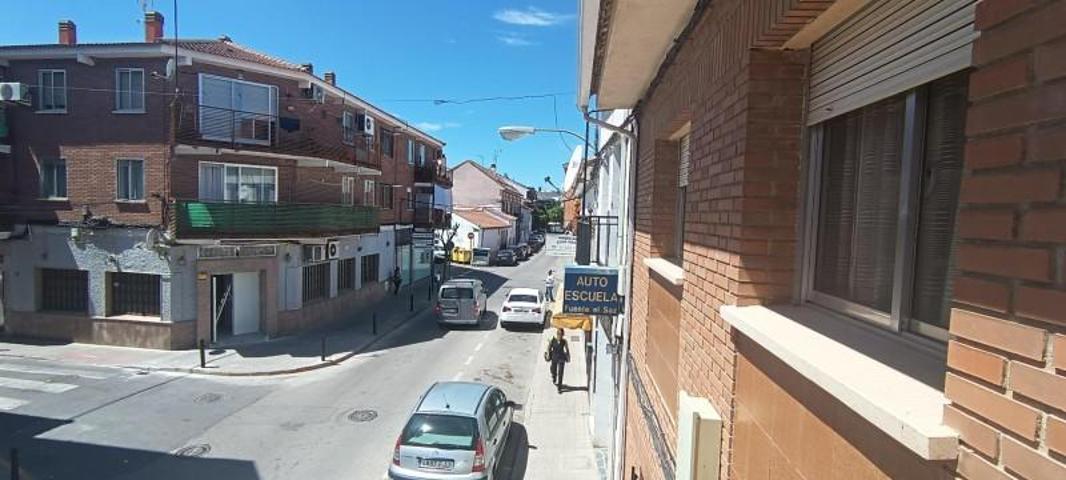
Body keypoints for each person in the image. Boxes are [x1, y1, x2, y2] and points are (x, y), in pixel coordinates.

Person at [544, 328, 570, 393]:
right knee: (553, 369)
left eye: (561, 334)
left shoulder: (564, 341)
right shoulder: (553, 340)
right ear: (557, 334)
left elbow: (567, 350)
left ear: (563, 335)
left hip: (561, 358)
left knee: (560, 373)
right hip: (554, 357)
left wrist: (568, 356)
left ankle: (559, 387)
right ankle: (554, 376)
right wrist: (547, 354)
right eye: (558, 334)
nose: (559, 335)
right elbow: (548, 347)